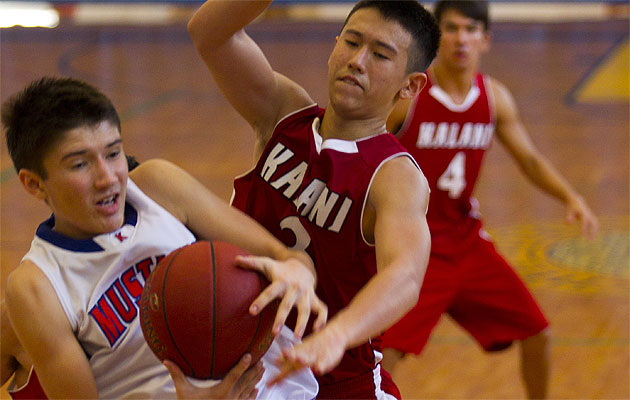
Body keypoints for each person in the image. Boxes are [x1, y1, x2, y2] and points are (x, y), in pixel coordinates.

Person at [1, 76, 327, 399]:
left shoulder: (157, 188)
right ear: (34, 183)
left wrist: (298, 271)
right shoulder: (36, 286)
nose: (107, 177)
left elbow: (286, 257)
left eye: (113, 153)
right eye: (80, 164)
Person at [187, 1, 440, 398]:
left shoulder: (394, 176)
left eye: (379, 54)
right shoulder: (283, 113)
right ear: (333, 45)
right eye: (352, 42)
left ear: (410, 85)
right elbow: (209, 34)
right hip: (237, 364)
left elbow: (406, 276)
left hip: (332, 379)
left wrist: (337, 335)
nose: (357, 61)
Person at [381, 1, 599, 399]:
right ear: (435, 37)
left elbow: (529, 159)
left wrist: (571, 196)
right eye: (450, 29)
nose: (461, 39)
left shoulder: (494, 97)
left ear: (486, 40)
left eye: (470, 29)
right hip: (415, 246)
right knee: (383, 354)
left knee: (539, 334)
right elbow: (365, 153)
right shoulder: (410, 96)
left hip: (466, 244)